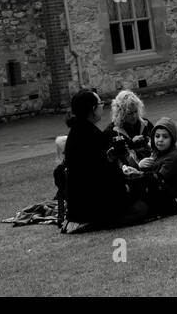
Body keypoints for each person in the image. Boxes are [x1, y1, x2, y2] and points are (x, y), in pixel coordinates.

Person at [62, 89, 149, 228]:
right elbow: (103, 176)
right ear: (93, 109)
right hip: (92, 205)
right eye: (100, 103)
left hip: (78, 205)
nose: (102, 106)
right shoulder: (92, 135)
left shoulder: (77, 132)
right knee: (142, 206)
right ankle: (99, 222)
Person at [137, 117, 177, 210]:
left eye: (165, 137)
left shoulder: (173, 157)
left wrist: (139, 171)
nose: (160, 140)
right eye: (157, 136)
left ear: (172, 139)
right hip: (168, 187)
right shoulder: (157, 152)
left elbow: (158, 179)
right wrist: (142, 165)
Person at [105, 90, 154, 161]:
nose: (134, 116)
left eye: (136, 111)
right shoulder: (111, 131)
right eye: (129, 113)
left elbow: (157, 142)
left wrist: (147, 141)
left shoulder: (145, 123)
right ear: (120, 113)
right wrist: (131, 143)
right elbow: (111, 158)